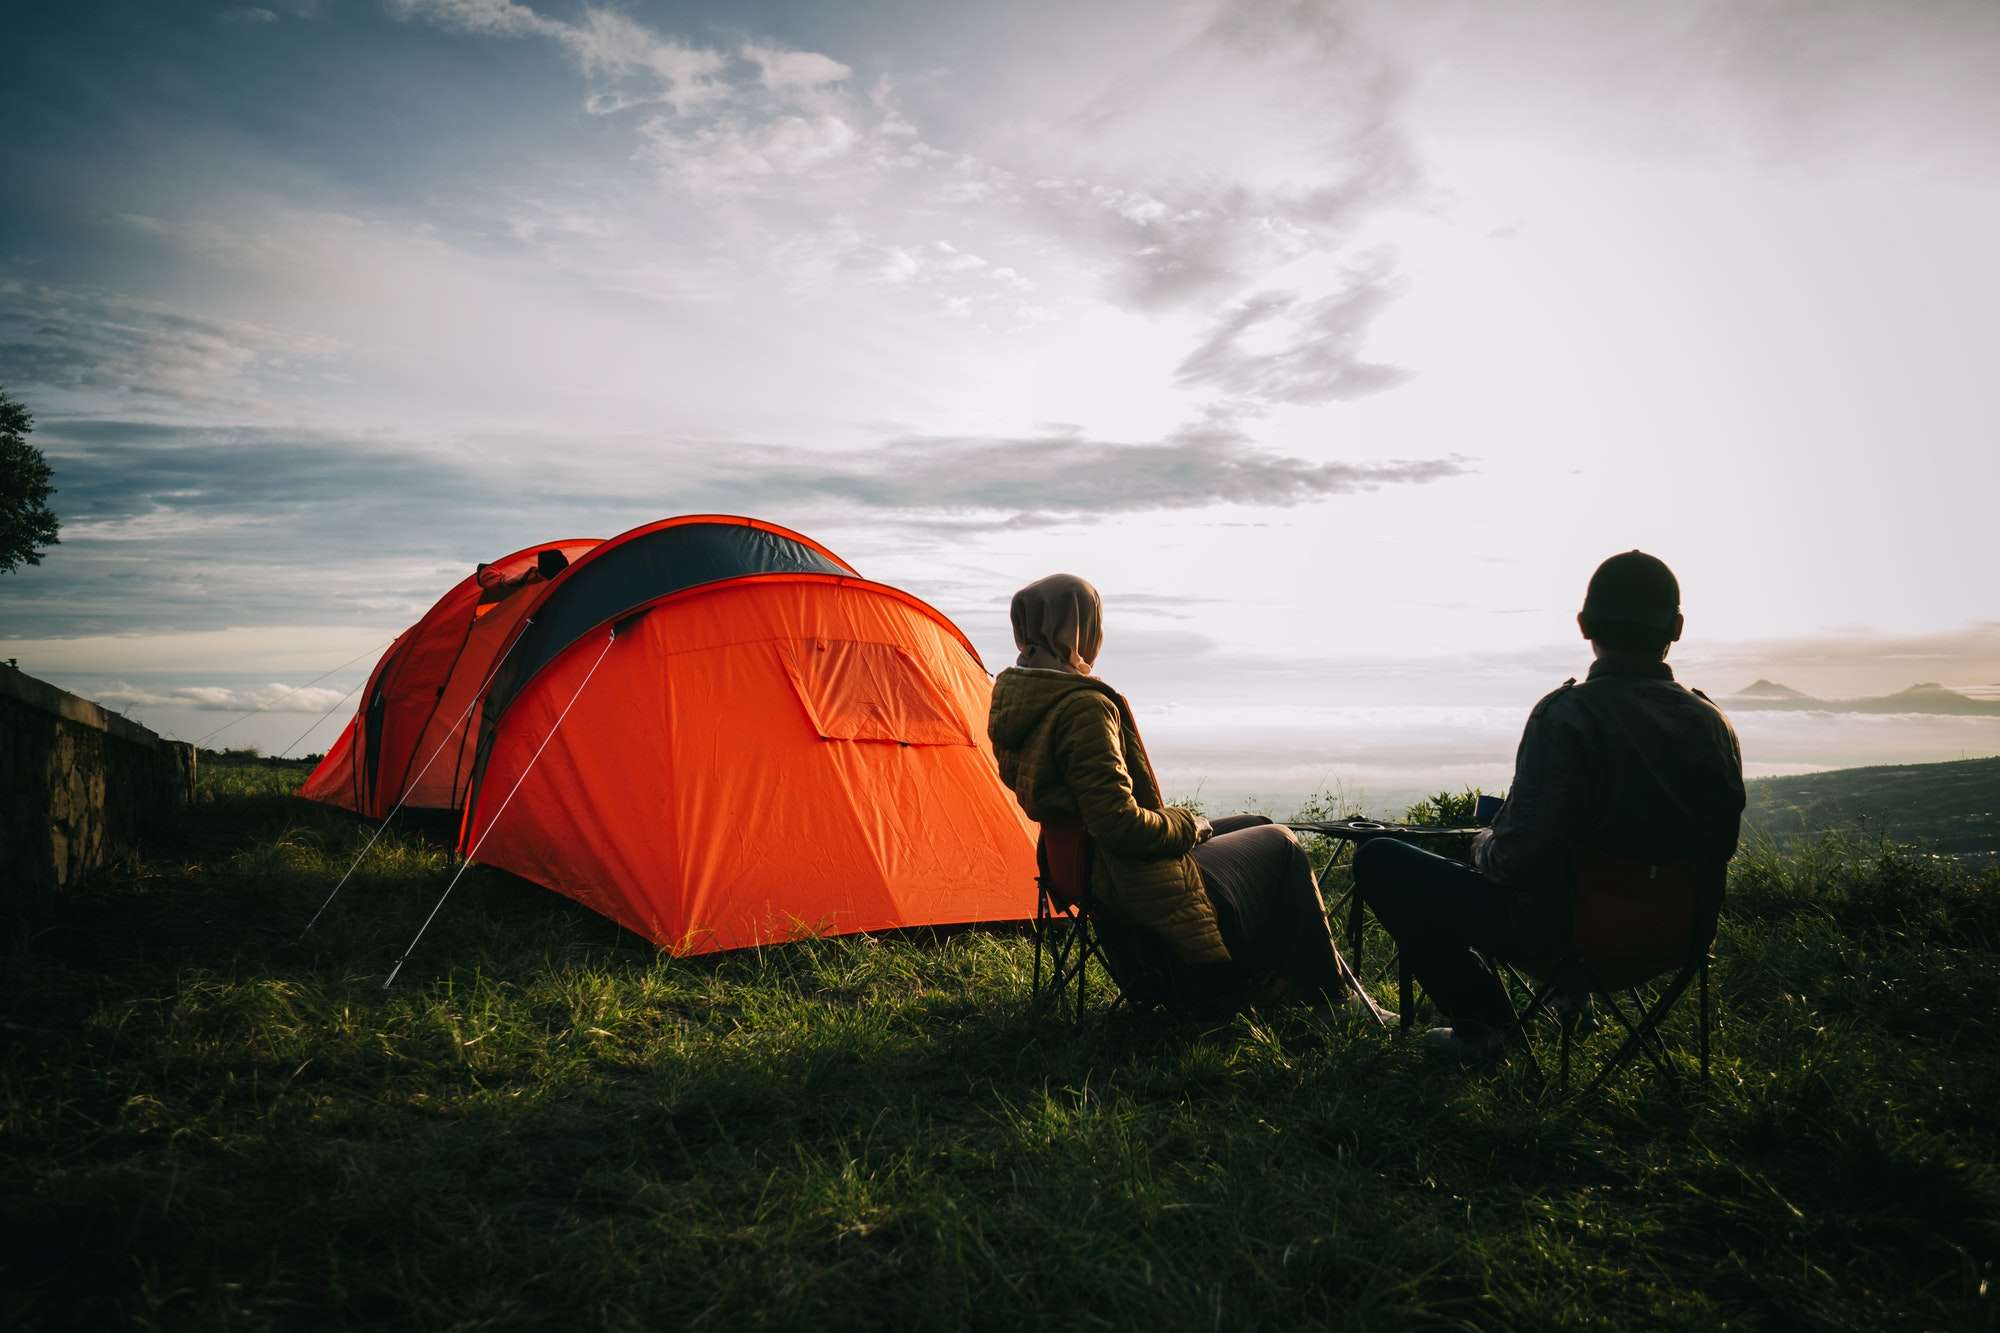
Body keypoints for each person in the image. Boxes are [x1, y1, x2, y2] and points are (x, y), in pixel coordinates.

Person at [1353, 550, 1746, 1061]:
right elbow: (1719, 844)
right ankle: (1561, 999)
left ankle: (1486, 1027)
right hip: (1678, 940)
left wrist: (1480, 845)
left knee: (1381, 859)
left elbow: (1515, 859)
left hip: (1571, 941)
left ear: (1584, 625)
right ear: (1676, 626)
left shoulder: (1567, 717)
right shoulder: (1712, 724)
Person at [988, 573, 1374, 1016]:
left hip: (1078, 865)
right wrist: (1186, 825)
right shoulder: (1082, 707)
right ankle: (1329, 995)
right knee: (1281, 843)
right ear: (1077, 628)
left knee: (1256, 825)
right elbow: (1119, 825)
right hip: (1125, 871)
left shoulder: (1022, 698)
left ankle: (1271, 980)